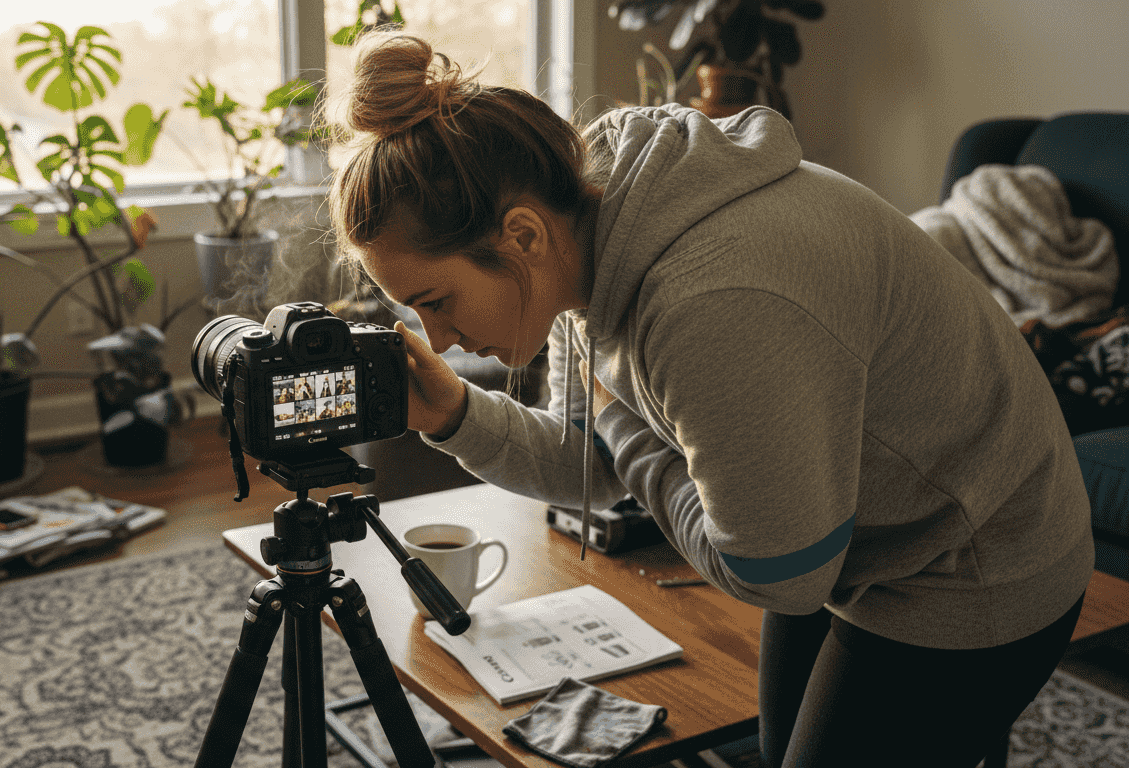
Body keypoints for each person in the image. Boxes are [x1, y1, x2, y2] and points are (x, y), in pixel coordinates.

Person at [322, 30, 1095, 768]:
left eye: (437, 299)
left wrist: (621, 421)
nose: (440, 336)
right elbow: (591, 462)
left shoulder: (716, 300)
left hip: (978, 556)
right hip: (856, 534)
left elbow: (774, 576)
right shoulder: (582, 238)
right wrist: (454, 413)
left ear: (521, 236)